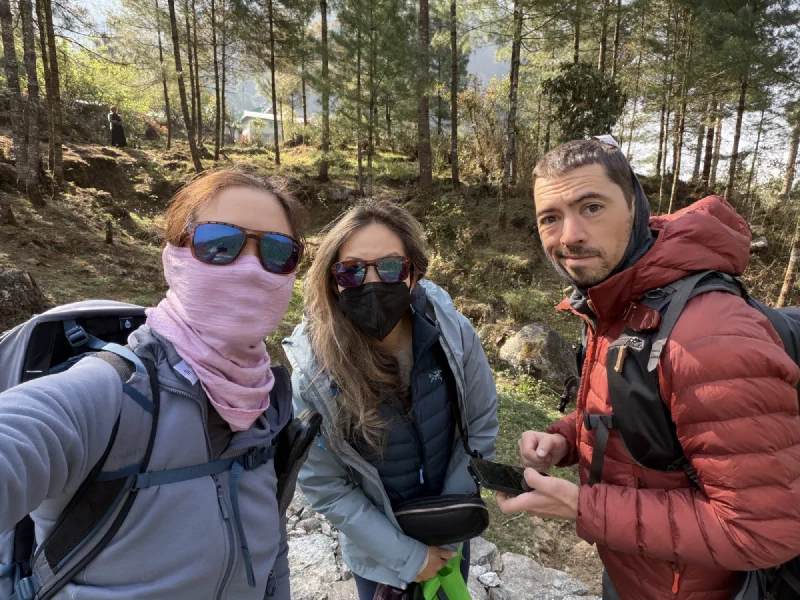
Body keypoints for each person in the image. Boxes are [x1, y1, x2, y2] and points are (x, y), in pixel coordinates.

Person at [496, 139, 800, 600]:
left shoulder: (709, 335)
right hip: (636, 573)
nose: (569, 235)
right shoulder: (619, 300)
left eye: (591, 206)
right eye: (550, 218)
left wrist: (585, 506)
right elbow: (646, 420)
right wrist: (565, 437)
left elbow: (761, 532)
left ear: (636, 207)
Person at [0, 169, 305, 599]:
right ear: (173, 255)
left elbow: (270, 548)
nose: (251, 268)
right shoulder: (106, 395)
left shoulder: (267, 402)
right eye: (219, 243)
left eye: (278, 251)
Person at [283, 199, 499, 599]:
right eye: (351, 270)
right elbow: (326, 484)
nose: (370, 283)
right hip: (379, 553)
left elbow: (480, 424)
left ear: (413, 273)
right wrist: (407, 556)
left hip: (450, 528)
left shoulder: (451, 332)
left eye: (389, 267)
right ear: (333, 281)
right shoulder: (314, 371)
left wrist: (447, 527)